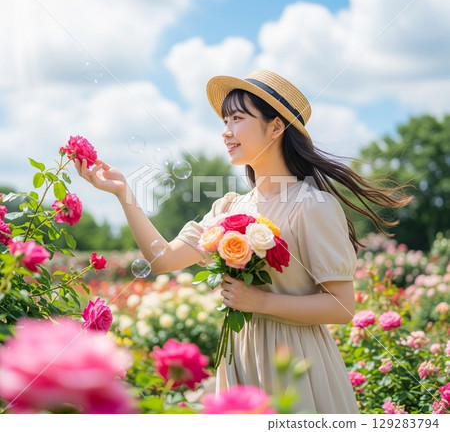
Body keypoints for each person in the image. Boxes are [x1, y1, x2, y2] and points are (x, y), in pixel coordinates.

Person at [75, 69, 412, 414]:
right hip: (239, 359)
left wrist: (258, 301)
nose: (226, 131)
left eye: (237, 118)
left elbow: (342, 307)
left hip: (295, 365)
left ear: (276, 127)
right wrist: (123, 193)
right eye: (225, 120)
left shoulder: (313, 205)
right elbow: (161, 260)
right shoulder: (228, 208)